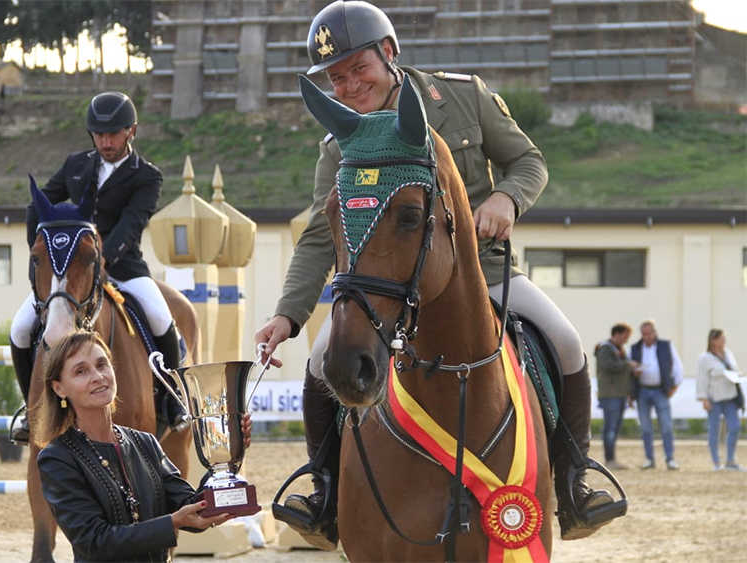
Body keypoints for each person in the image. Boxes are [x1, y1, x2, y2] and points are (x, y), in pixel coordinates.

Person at [253, 0, 616, 547]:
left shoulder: (463, 97)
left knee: (565, 342)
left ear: (389, 53)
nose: (350, 86)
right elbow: (320, 236)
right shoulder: (339, 141)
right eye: (336, 78)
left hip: (481, 271)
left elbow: (529, 161)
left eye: (359, 68)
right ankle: (323, 490)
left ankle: (574, 480)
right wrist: (287, 314)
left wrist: (506, 199)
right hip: (388, 287)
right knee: (320, 360)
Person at [9, 91, 185, 442]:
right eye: (99, 135)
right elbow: (37, 208)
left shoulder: (147, 176)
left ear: (131, 131)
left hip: (122, 266)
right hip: (72, 270)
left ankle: (172, 398)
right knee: (20, 328)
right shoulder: (75, 165)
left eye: (114, 134)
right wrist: (42, 255)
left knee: (161, 317)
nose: (106, 142)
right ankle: (32, 410)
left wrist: (102, 258)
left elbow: (132, 224)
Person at [35, 331, 253, 562]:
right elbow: (94, 541)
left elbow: (192, 507)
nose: (98, 376)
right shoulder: (57, 458)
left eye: (102, 364)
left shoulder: (145, 442)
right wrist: (172, 522)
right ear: (59, 388)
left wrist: (226, 456)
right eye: (81, 371)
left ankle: (172, 401)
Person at [629, 320, 684, 470]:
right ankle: (649, 459)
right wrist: (633, 375)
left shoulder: (666, 346)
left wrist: (675, 386)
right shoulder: (635, 348)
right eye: (644, 334)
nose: (647, 337)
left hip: (661, 390)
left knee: (666, 426)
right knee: (645, 427)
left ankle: (670, 458)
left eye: (649, 333)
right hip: (642, 391)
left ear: (655, 332)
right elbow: (628, 369)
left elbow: (677, 366)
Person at [696, 328, 743, 471]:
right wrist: (704, 398)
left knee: (735, 426)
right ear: (713, 341)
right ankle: (716, 462)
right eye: (721, 339)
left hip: (730, 397)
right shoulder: (704, 358)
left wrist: (737, 375)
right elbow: (702, 379)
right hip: (714, 399)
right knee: (714, 429)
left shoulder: (728, 354)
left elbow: (735, 369)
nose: (724, 341)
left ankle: (730, 460)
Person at [595, 323, 639, 470]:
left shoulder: (618, 349)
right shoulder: (605, 349)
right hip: (610, 394)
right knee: (610, 428)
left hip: (619, 393)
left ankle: (612, 458)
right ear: (617, 334)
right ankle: (609, 459)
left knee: (615, 427)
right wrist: (628, 365)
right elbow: (608, 366)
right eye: (625, 336)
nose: (626, 340)